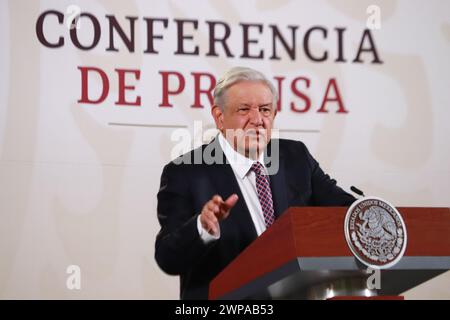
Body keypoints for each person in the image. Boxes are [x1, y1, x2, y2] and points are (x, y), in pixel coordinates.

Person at [155, 67, 356, 299]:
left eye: (265, 110)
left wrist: (372, 217)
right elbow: (168, 258)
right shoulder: (186, 173)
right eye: (244, 110)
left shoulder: (295, 157)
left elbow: (344, 210)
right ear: (219, 117)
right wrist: (202, 228)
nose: (257, 119)